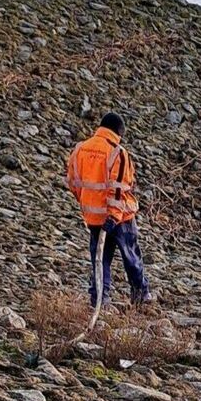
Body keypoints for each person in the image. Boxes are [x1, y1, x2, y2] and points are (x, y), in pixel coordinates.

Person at [66, 112, 153, 307]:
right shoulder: (117, 152)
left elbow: (73, 182)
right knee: (131, 256)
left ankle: (99, 299)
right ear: (119, 132)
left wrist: (88, 203)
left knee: (100, 259)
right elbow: (118, 188)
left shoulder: (80, 149)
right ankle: (140, 295)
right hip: (120, 218)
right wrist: (113, 216)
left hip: (94, 217)